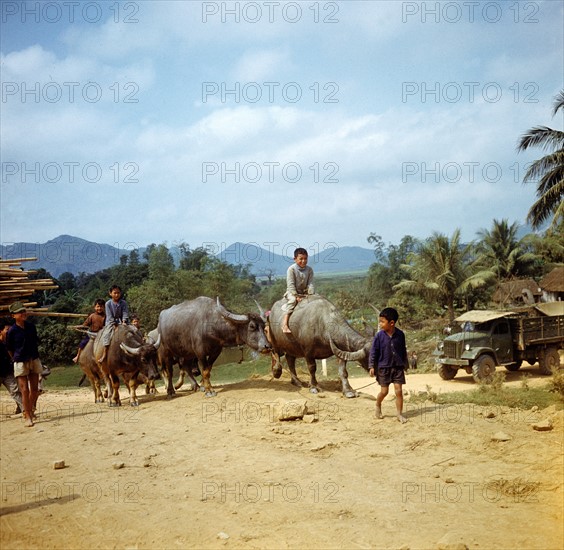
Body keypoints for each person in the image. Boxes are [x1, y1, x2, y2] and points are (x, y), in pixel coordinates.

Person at [368, 307, 408, 424]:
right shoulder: (379, 336)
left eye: (382, 322)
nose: (380, 324)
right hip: (383, 368)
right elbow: (373, 351)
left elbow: (402, 350)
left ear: (391, 323)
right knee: (384, 392)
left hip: (397, 367)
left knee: (399, 391)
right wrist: (371, 366)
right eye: (379, 321)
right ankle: (378, 404)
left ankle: (399, 414)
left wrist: (405, 364)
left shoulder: (400, 335)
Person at [6, 302, 42, 427]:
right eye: (20, 312)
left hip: (34, 359)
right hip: (20, 361)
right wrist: (16, 359)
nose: (23, 314)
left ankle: (30, 410)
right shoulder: (12, 331)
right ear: (13, 316)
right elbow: (9, 348)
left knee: (35, 389)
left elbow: (35, 342)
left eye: (24, 311)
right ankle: (27, 415)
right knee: (24, 390)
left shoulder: (31, 326)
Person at [281, 247, 314, 333]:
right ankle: (284, 324)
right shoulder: (291, 269)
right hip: (292, 293)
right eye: (301, 259)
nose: (303, 261)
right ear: (295, 259)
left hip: (304, 293)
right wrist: (296, 296)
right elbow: (291, 285)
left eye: (305, 259)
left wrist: (311, 294)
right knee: (292, 301)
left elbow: (310, 284)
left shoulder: (309, 270)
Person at [98, 285, 129, 363]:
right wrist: (115, 324)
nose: (117, 295)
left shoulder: (123, 303)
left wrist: (124, 321)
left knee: (133, 331)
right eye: (115, 293)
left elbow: (125, 312)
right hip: (110, 323)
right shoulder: (108, 304)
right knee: (107, 335)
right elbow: (109, 316)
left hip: (122, 322)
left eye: (118, 293)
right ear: (110, 293)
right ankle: (104, 353)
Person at [0, 317, 23, 415]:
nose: (9, 332)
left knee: (15, 391)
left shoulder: (9, 343)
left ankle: (25, 410)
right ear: (1, 331)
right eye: (7, 330)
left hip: (7, 372)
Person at [72, 299, 106, 363]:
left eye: (101, 306)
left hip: (101, 335)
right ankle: (77, 356)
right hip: (92, 334)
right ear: (95, 307)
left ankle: (104, 356)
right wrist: (79, 327)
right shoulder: (92, 316)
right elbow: (85, 324)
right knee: (82, 343)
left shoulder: (105, 316)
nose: (99, 308)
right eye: (98, 306)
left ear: (104, 307)